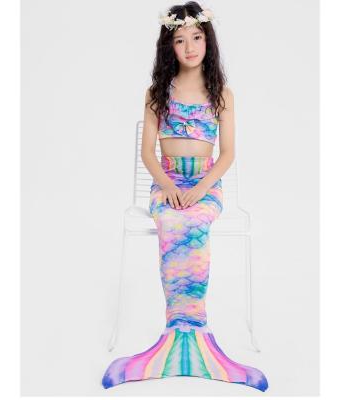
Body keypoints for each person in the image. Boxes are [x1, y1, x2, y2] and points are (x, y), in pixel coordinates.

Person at [101, 1, 269, 392]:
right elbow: (148, 153)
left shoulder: (222, 93)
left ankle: (196, 332)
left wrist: (199, 189)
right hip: (168, 182)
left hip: (205, 185)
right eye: (180, 40)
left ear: (208, 41)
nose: (190, 47)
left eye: (196, 37)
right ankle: (175, 332)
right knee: (172, 219)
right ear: (169, 47)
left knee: (193, 221)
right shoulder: (157, 92)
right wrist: (170, 187)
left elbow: (227, 154)